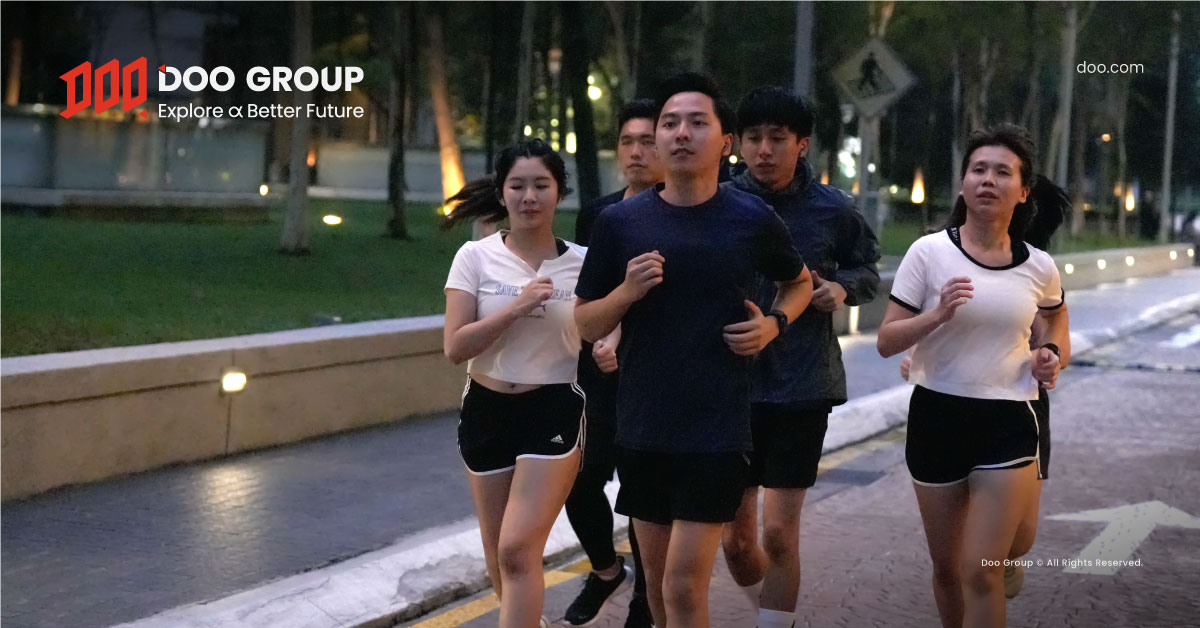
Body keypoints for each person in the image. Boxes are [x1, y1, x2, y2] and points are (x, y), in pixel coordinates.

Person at [574, 72, 813, 628]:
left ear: (725, 142)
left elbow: (798, 282)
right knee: (659, 593)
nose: (681, 133)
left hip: (716, 430)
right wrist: (627, 292)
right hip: (642, 426)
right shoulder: (619, 223)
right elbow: (585, 322)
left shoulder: (750, 218)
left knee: (683, 587)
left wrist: (773, 324)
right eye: (670, 123)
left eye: (697, 122)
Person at [878, 123, 1071, 628]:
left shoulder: (1040, 267)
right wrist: (937, 315)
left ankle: (1007, 555)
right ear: (963, 183)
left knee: (981, 568)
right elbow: (887, 341)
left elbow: (1055, 321)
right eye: (978, 169)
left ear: (1023, 191)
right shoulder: (927, 253)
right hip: (937, 416)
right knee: (948, 569)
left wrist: (1051, 353)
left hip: (1009, 416)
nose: (988, 179)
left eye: (1002, 172)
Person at [719, 87, 881, 628]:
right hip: (730, 387)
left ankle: (774, 619)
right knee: (737, 542)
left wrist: (841, 288)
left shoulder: (834, 209)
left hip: (802, 385)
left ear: (803, 144)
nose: (764, 150)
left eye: (778, 138)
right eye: (753, 138)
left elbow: (867, 269)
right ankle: (773, 610)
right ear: (737, 143)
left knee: (778, 534)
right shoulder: (718, 202)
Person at [442, 139, 587, 628]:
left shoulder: (583, 263)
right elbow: (455, 347)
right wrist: (517, 308)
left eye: (541, 185)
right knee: (497, 550)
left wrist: (609, 343)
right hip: (486, 408)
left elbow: (604, 323)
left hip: (553, 408)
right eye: (517, 185)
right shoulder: (474, 257)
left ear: (559, 192)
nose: (529, 197)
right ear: (501, 193)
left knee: (517, 548)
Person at [563, 99, 664, 628]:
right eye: (627, 142)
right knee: (577, 479)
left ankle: (645, 600)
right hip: (598, 374)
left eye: (647, 141)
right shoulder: (600, 215)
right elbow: (591, 290)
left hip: (655, 374)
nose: (636, 152)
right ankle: (606, 571)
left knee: (642, 493)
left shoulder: (684, 213)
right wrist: (601, 337)